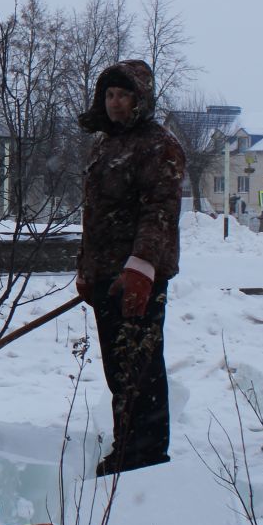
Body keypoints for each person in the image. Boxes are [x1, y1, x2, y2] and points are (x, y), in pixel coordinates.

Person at [75, 59, 186, 476]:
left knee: (139, 363)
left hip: (139, 275)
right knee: (117, 367)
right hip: (106, 273)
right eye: (109, 95)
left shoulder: (159, 146)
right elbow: (95, 213)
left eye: (123, 95)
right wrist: (86, 270)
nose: (115, 103)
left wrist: (141, 267)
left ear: (140, 99)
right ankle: (128, 442)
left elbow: (159, 210)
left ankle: (145, 451)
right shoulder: (105, 144)